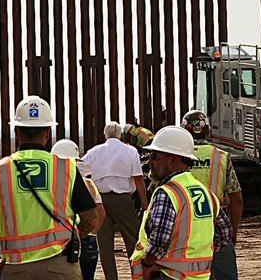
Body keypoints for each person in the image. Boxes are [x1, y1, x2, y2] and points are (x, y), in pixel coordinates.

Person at [0, 94, 96, 280]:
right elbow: (91, 219)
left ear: (17, 132)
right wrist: (72, 235)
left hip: (16, 269)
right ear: (47, 133)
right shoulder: (66, 167)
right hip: (60, 265)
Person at [130, 125, 229, 280]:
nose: (149, 162)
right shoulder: (205, 192)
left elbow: (160, 240)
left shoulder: (168, 193)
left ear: (171, 160)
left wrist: (148, 263)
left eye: (154, 156)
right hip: (202, 276)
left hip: (171, 275)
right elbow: (224, 234)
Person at [79, 121, 148, 280]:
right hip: (123, 200)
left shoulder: (95, 151)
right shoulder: (130, 151)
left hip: (100, 201)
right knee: (132, 240)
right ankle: (137, 275)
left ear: (105, 135)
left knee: (104, 244)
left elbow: (78, 171)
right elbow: (138, 180)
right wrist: (144, 205)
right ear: (121, 135)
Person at [181, 110, 242, 280]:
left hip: (186, 227)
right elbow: (236, 199)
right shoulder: (221, 157)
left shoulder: (176, 158)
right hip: (218, 226)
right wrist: (233, 231)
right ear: (208, 131)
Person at [53, 139, 105, 280]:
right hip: (88, 242)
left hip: (62, 244)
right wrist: (89, 234)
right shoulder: (88, 184)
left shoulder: (53, 187)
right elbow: (101, 214)